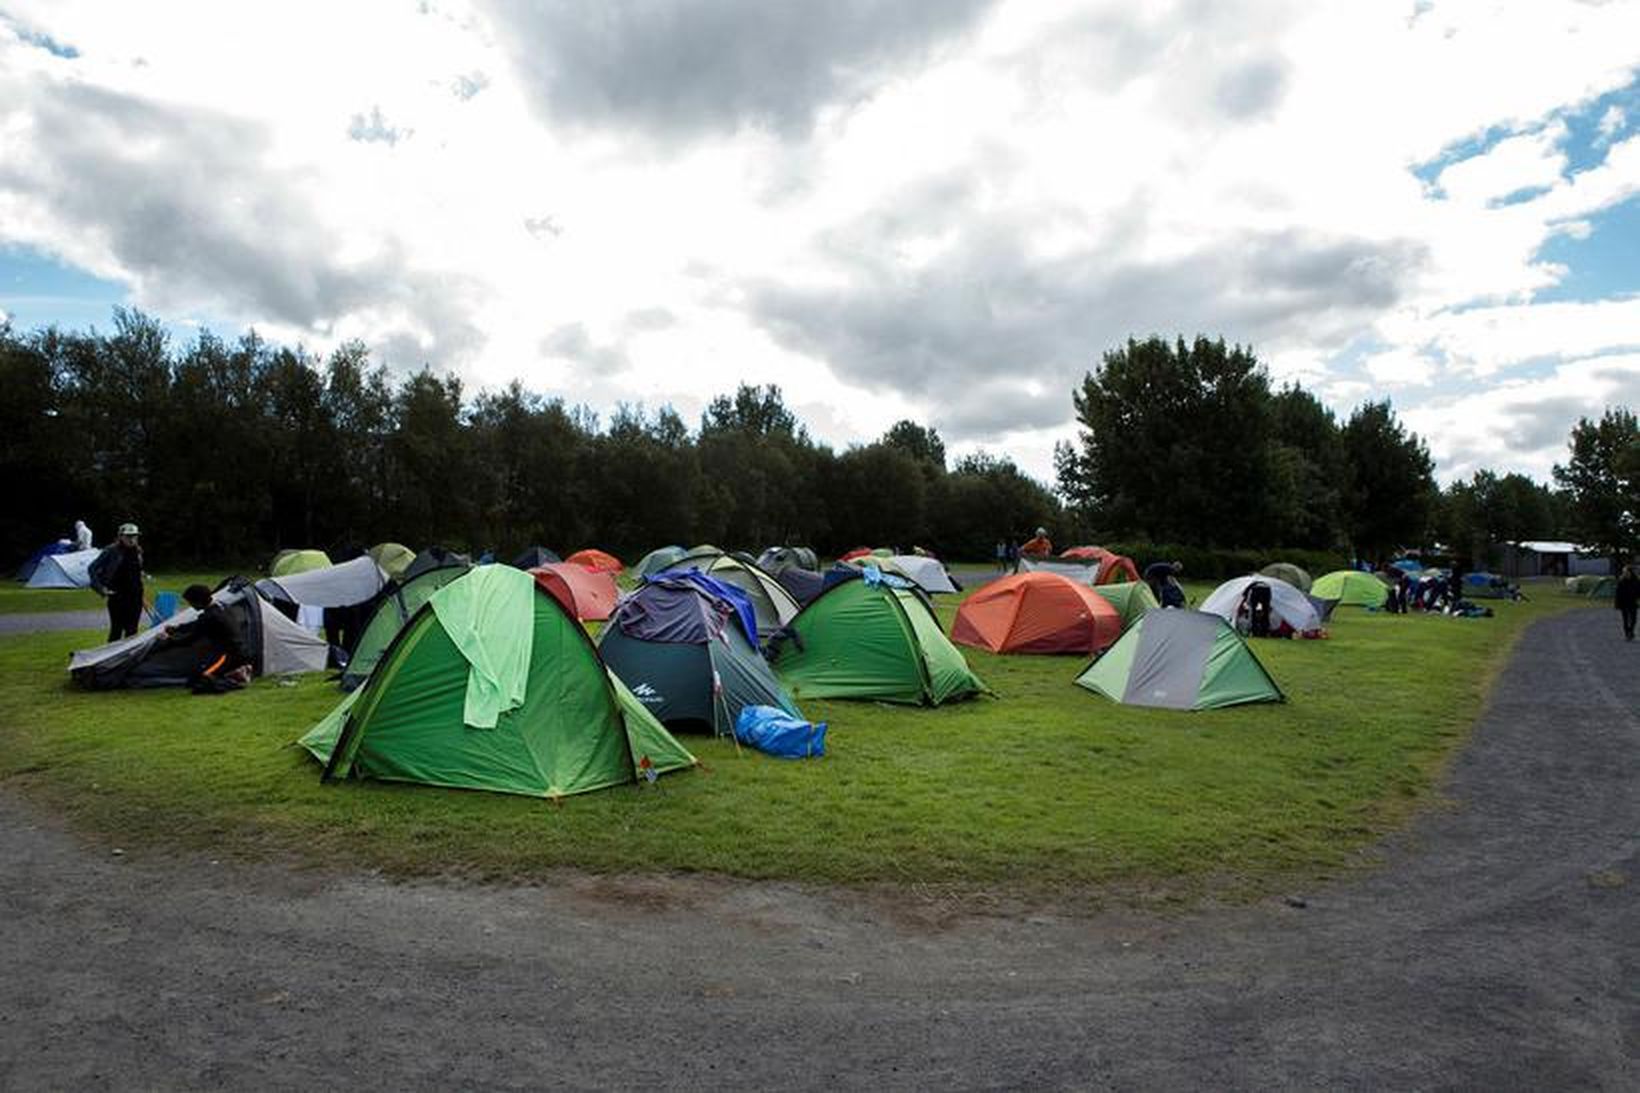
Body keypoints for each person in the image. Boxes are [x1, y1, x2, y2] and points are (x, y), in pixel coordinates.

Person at [162, 584, 254, 688]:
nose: (191, 606)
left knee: (201, 680)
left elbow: (190, 639)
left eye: (191, 603)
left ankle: (238, 673)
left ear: (198, 601)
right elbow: (196, 624)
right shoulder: (221, 606)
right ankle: (237, 671)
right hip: (239, 651)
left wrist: (168, 640)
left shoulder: (210, 617)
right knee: (195, 678)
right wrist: (177, 628)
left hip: (230, 655)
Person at [88, 523, 145, 642]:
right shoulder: (111, 550)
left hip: (135, 596)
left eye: (134, 536)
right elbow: (92, 568)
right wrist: (100, 588)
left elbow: (135, 571)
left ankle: (130, 658)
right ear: (121, 536)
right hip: (117, 596)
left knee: (132, 630)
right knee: (117, 630)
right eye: (128, 536)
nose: (132, 539)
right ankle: (110, 658)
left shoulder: (138, 550)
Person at [1615, 564, 1640, 642]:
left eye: (1627, 572)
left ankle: (1631, 631)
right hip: (1624, 603)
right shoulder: (1621, 581)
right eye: (1624, 572)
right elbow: (1618, 594)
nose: (1625, 573)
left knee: (1633, 619)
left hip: (1633, 602)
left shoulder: (1636, 581)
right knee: (1625, 619)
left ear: (1630, 572)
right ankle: (1627, 634)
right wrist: (1617, 604)